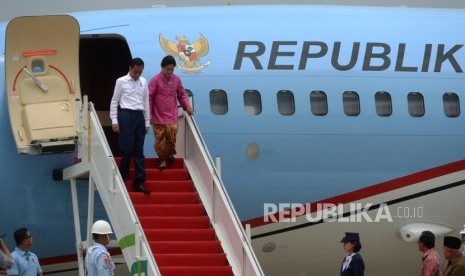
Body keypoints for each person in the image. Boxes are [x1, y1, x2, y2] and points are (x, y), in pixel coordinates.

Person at [110, 57, 150, 194]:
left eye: (140, 72)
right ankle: (123, 174)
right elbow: (114, 101)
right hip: (126, 114)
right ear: (130, 68)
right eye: (135, 72)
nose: (137, 75)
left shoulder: (144, 82)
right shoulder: (121, 81)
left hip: (139, 115)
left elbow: (146, 103)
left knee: (139, 150)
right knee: (127, 148)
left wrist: (147, 121)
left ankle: (139, 181)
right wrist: (114, 120)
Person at [148, 55, 194, 169]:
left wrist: (187, 107)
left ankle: (168, 153)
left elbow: (181, 95)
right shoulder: (155, 80)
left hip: (171, 115)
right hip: (158, 115)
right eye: (167, 69)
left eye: (171, 70)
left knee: (171, 138)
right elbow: (149, 97)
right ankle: (162, 160)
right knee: (160, 140)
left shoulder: (177, 80)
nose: (169, 72)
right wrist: (148, 113)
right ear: (162, 68)